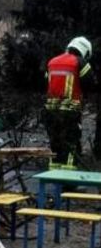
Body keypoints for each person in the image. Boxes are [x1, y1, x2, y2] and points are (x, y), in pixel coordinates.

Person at [44, 36, 93, 169]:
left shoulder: (52, 62)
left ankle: (53, 175)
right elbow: (90, 84)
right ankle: (69, 179)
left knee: (55, 143)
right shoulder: (80, 63)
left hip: (50, 111)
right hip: (69, 112)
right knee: (71, 144)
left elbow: (45, 82)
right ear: (84, 51)